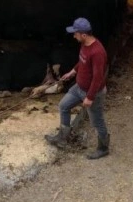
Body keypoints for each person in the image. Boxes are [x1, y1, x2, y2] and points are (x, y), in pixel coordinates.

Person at [45, 17, 110, 159]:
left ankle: (103, 147)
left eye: (75, 33)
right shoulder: (84, 45)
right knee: (63, 105)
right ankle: (63, 137)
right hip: (78, 87)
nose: (74, 36)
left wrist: (90, 97)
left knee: (97, 121)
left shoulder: (97, 52)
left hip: (92, 92)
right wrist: (72, 72)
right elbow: (82, 61)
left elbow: (98, 78)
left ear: (84, 34)